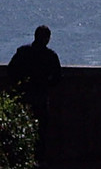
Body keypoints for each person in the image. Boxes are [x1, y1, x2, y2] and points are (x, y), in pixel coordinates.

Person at [8, 25, 63, 159]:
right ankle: (38, 158)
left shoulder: (23, 52)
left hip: (25, 93)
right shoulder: (50, 56)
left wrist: (20, 84)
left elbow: (11, 71)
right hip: (40, 95)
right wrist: (46, 84)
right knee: (41, 129)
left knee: (23, 126)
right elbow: (57, 77)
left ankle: (22, 157)